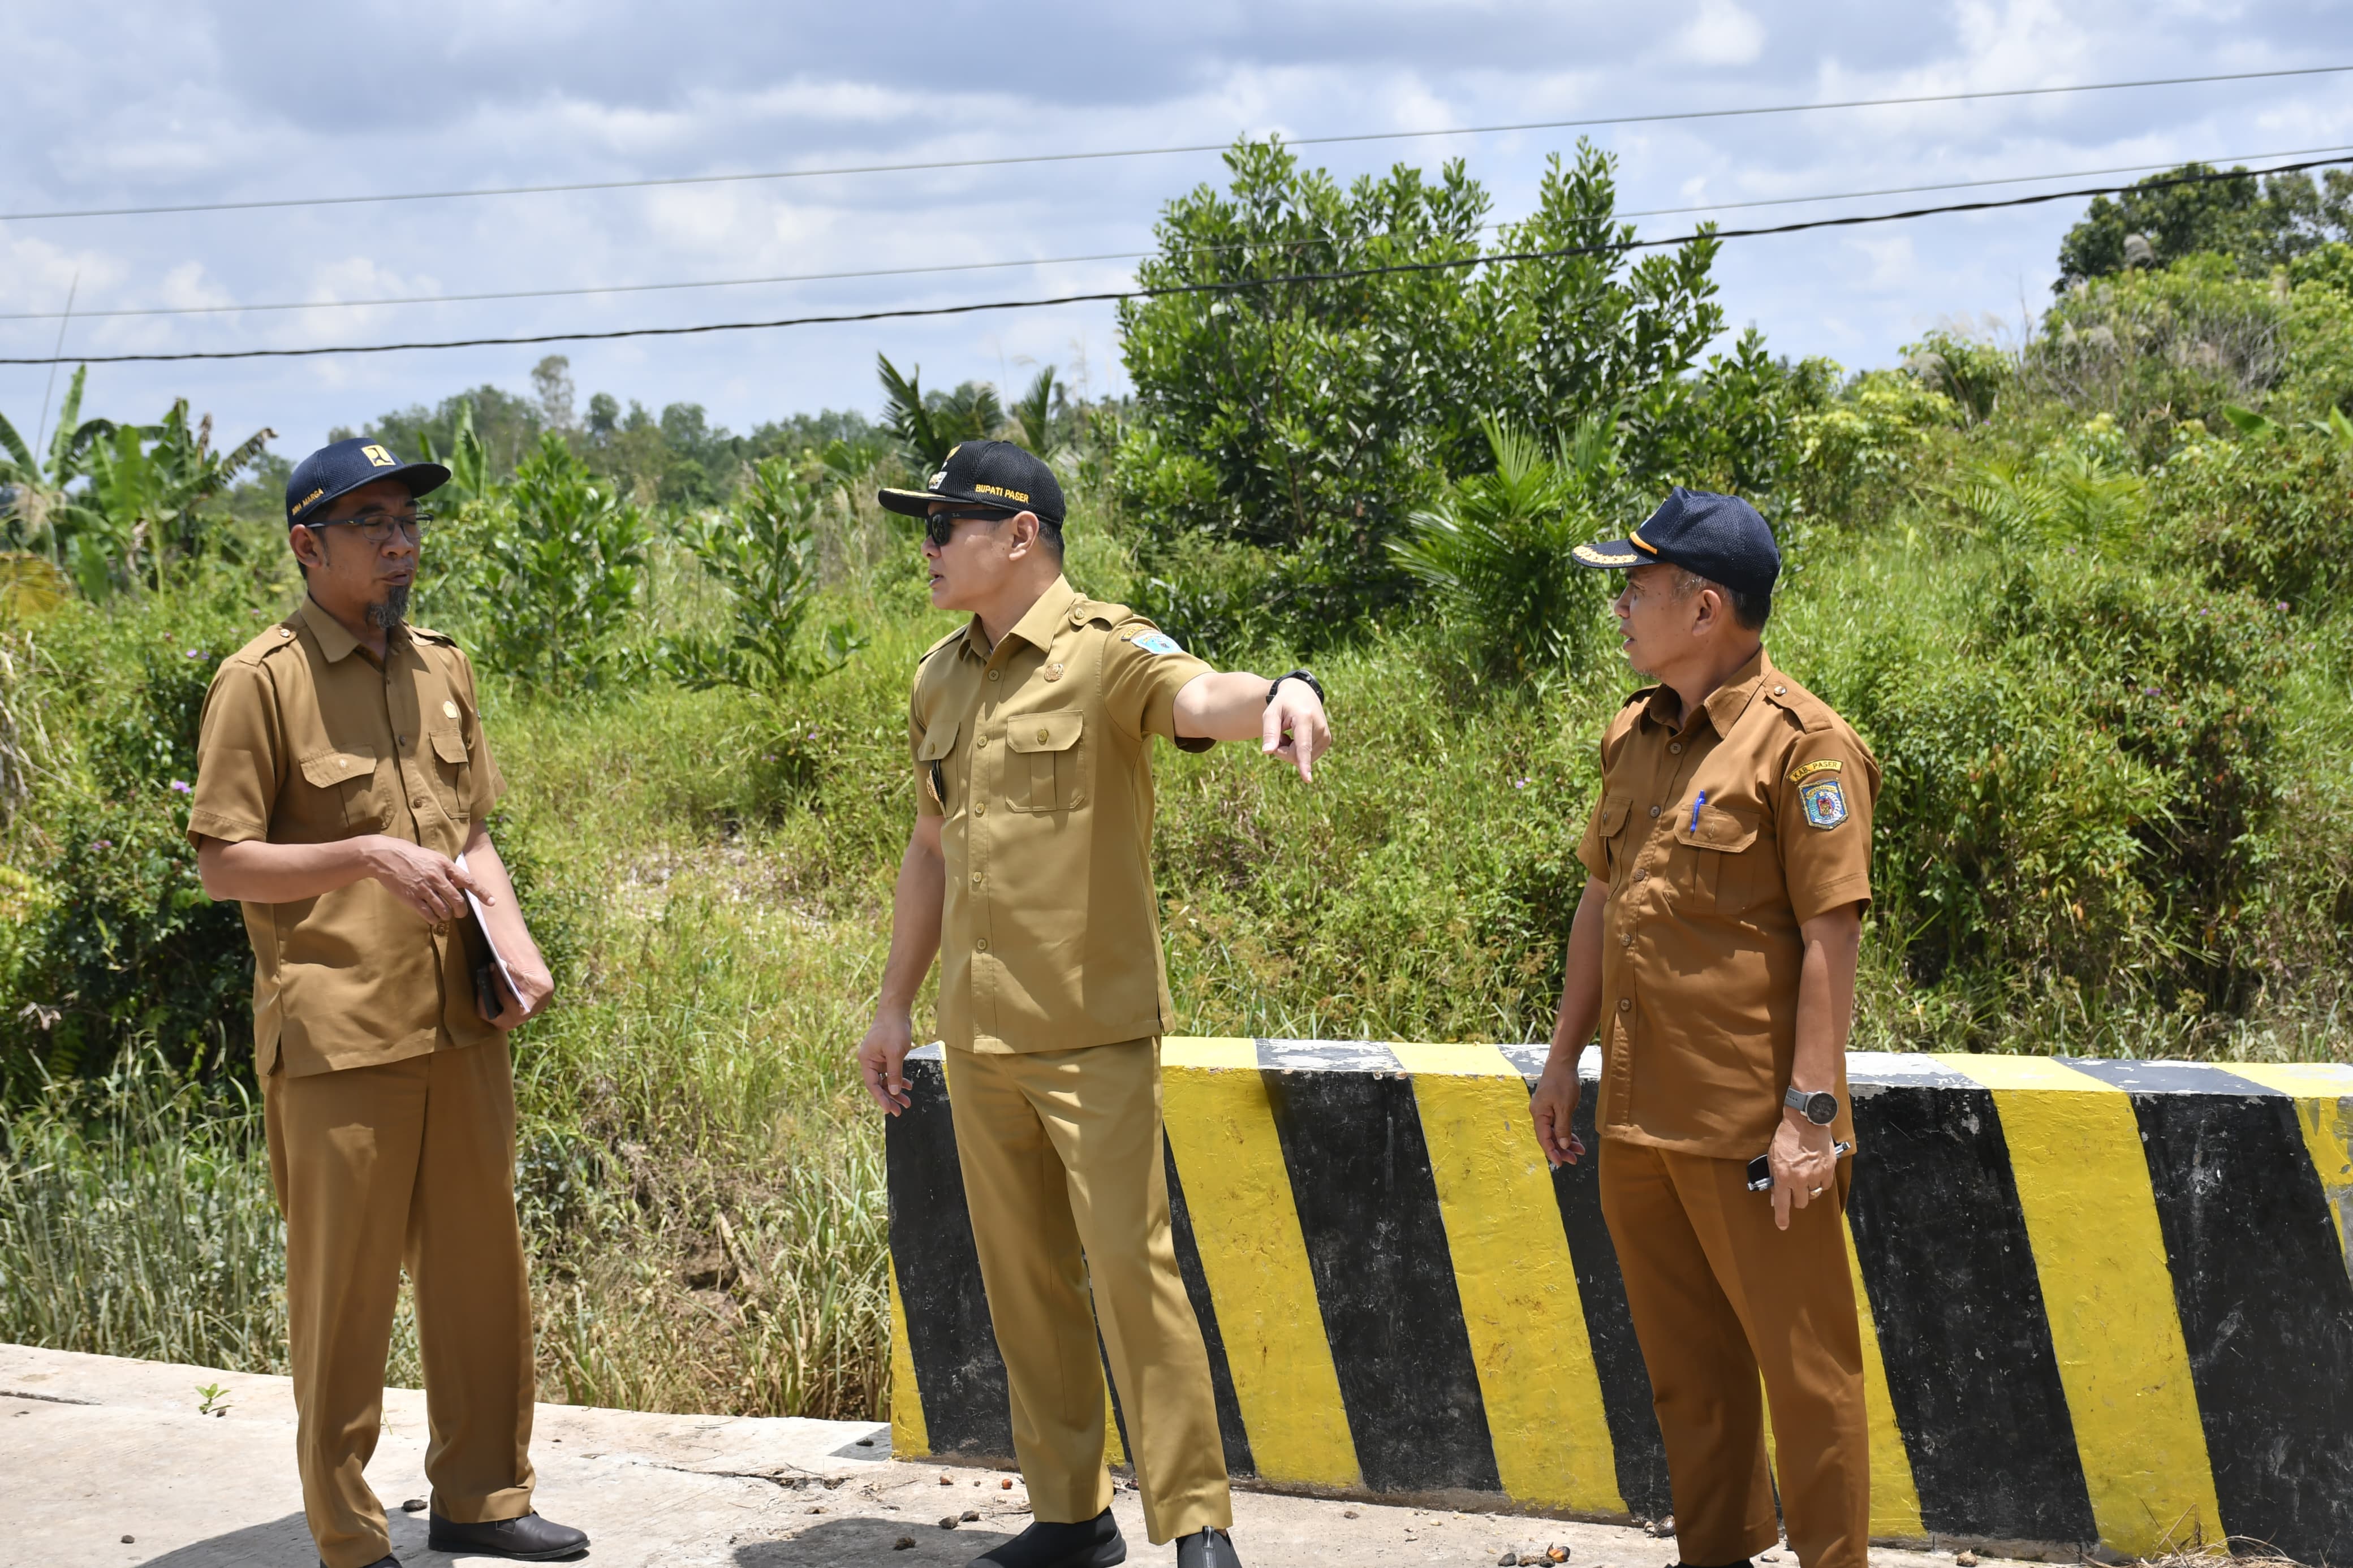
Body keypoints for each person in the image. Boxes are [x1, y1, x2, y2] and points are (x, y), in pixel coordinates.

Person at [857, 440, 1331, 1568]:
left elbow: (1199, 692)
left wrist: (1285, 690)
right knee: (1026, 1289)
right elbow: (928, 845)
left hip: (1091, 1030)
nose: (926, 546)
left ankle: (1197, 1520)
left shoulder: (1106, 650)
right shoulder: (939, 677)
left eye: (948, 525)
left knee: (1133, 1272)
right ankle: (1069, 1515)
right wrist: (892, 1006)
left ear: (1020, 536)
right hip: (978, 1034)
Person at [188, 438, 587, 1568]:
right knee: (345, 1297)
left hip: (458, 1024)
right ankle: (351, 1534)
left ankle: (485, 1497)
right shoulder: (261, 681)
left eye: (407, 518)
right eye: (370, 521)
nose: (400, 538)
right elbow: (224, 862)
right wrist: (363, 854)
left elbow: (469, 833)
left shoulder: (441, 669)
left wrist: (515, 944)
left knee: (480, 1276)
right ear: (308, 545)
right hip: (338, 1032)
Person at [1528, 488, 1878, 1568]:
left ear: (1706, 607)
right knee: (1692, 1374)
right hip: (1639, 1122)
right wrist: (1562, 1060)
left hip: (1751, 1132)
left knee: (1808, 1379)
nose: (1622, 607)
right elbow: (1602, 900)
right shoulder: (1634, 737)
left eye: (1638, 588)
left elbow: (1831, 940)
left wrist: (1808, 1118)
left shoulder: (1804, 750)